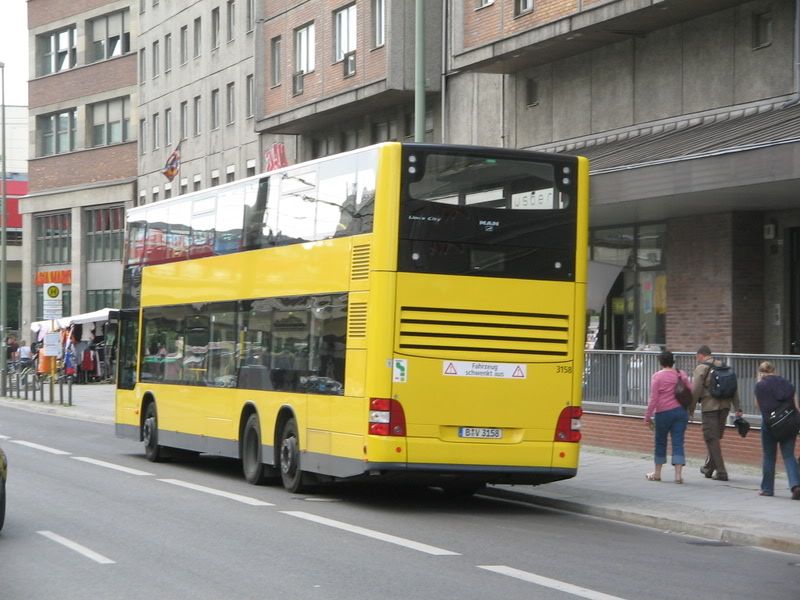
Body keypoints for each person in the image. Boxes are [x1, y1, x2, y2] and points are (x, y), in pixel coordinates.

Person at [691, 345, 743, 481]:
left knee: (711, 438)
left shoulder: (701, 368)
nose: (697, 360)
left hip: (709, 408)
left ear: (701, 355)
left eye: (697, 357)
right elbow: (734, 387)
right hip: (725, 407)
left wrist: (689, 410)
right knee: (715, 438)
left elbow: (695, 390)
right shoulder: (723, 366)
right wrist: (737, 407)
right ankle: (708, 468)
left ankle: (721, 472)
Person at [754, 361, 800, 500]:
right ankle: (796, 485)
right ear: (775, 371)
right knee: (789, 456)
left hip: (770, 425)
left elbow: (758, 406)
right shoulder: (786, 383)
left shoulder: (760, 386)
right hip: (790, 423)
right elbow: (796, 406)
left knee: (769, 456)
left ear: (760, 372)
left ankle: (767, 489)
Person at [644, 351, 690, 483]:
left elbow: (653, 399)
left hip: (663, 413)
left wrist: (647, 416)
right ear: (672, 361)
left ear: (661, 362)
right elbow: (690, 390)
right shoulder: (681, 374)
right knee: (678, 442)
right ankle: (678, 476)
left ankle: (657, 474)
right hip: (680, 413)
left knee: (660, 442)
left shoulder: (657, 377)